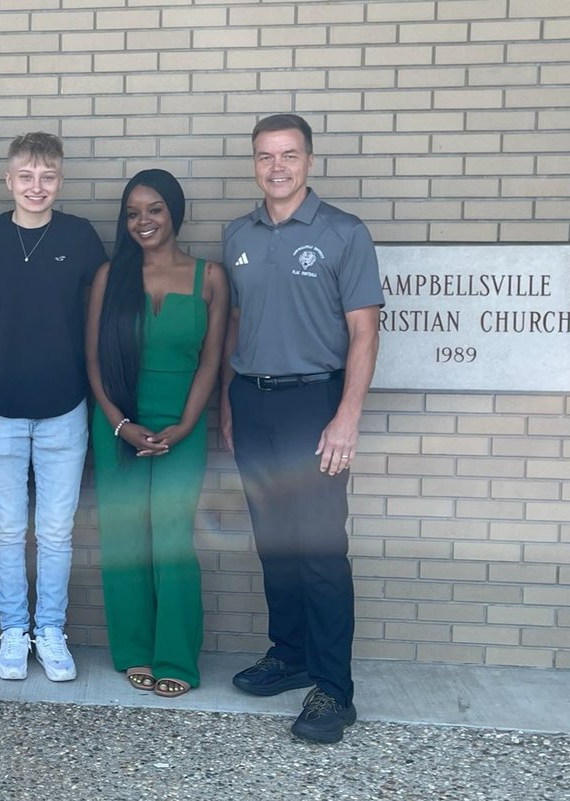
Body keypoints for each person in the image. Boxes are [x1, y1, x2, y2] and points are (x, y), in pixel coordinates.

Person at [219, 114, 384, 744]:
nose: (277, 167)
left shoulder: (344, 233)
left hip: (315, 405)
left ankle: (334, 690)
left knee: (318, 551)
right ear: (254, 163)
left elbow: (365, 332)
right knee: (274, 543)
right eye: (265, 157)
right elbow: (235, 322)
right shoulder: (238, 233)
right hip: (253, 404)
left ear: (309, 161)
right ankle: (288, 654)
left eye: (288, 155)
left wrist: (346, 415)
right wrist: (230, 404)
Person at [0, 132, 106, 682]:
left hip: (64, 407)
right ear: (9, 180)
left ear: (60, 180)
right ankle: (13, 630)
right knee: (5, 529)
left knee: (55, 531)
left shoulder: (80, 236)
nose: (36, 186)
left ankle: (50, 629)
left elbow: (97, 299)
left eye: (47, 177)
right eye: (26, 176)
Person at [86, 169, 229, 699]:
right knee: (125, 540)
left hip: (181, 425)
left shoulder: (209, 276)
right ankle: (134, 652)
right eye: (132, 213)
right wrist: (121, 424)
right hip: (118, 423)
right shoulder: (110, 276)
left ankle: (175, 658)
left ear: (174, 212)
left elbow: (212, 362)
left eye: (154, 210)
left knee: (171, 541)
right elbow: (93, 361)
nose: (142, 221)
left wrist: (188, 424)